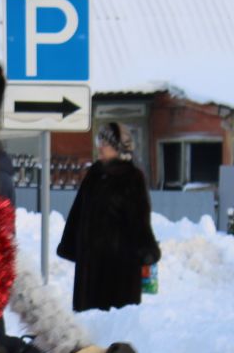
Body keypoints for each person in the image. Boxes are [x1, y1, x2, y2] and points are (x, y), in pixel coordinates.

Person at [57, 122, 159, 312]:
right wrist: (70, 244)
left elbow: (139, 220)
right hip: (89, 270)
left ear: (120, 148)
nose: (100, 146)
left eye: (106, 143)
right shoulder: (94, 174)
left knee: (113, 326)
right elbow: (77, 213)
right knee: (88, 327)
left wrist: (146, 250)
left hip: (119, 270)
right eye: (99, 141)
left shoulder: (132, 177)